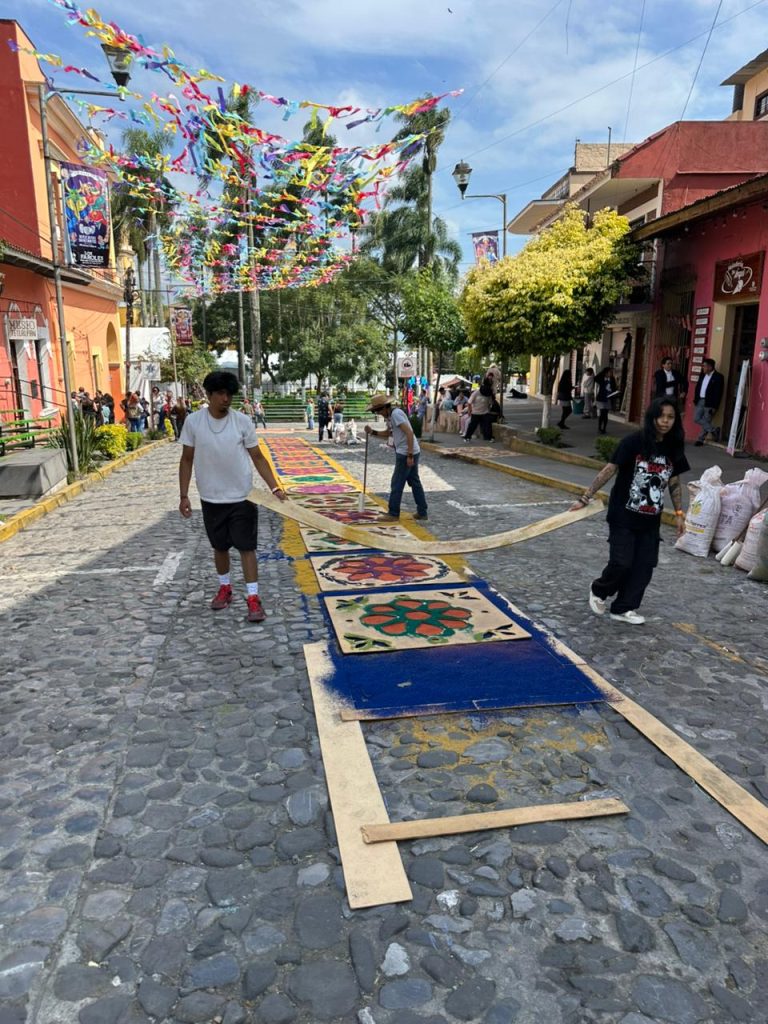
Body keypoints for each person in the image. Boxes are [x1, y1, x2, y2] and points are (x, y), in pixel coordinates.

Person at [178, 370, 287, 623]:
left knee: (247, 548)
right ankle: (225, 588)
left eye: (229, 394)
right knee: (220, 546)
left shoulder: (242, 422)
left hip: (243, 496)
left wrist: (275, 488)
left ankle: (253, 597)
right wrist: (184, 495)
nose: (226, 399)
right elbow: (186, 459)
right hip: (211, 497)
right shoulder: (194, 422)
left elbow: (257, 457)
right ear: (209, 395)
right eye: (220, 394)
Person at [569, 397, 689, 625]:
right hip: (623, 515)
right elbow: (609, 469)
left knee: (644, 566)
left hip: (650, 520)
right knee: (622, 562)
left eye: (670, 417)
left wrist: (680, 514)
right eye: (661, 416)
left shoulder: (673, 447)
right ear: (652, 417)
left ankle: (623, 608)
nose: (665, 421)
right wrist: (585, 498)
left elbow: (674, 481)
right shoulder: (633, 442)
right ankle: (599, 589)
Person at [365, 394, 428, 521]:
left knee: (397, 483)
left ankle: (393, 513)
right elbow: (389, 433)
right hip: (410, 451)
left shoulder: (395, 414)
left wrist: (409, 455)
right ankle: (422, 512)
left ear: (384, 408)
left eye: (377, 411)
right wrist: (373, 432)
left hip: (406, 453)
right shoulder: (391, 416)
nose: (378, 414)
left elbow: (409, 433)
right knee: (414, 482)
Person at [693, 357, 724, 446]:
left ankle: (700, 440)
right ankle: (714, 430)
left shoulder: (718, 377)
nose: (703, 368)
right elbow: (698, 387)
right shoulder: (702, 375)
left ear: (710, 367)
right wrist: (696, 399)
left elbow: (718, 393)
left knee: (707, 420)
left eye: (704, 366)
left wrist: (715, 406)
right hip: (700, 400)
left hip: (710, 402)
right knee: (696, 418)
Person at [463, 373, 495, 442]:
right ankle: (467, 437)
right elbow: (469, 402)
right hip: (476, 412)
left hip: (485, 412)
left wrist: (488, 409)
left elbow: (490, 402)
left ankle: (489, 437)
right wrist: (469, 410)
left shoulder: (488, 393)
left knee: (488, 425)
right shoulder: (476, 392)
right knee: (472, 426)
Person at [594, 368, 617, 435]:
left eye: (611, 372)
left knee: (605, 414)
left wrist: (615, 393)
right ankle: (599, 428)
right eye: (609, 372)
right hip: (601, 398)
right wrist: (602, 372)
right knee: (602, 413)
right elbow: (595, 378)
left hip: (608, 398)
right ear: (606, 373)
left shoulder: (612, 379)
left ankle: (604, 428)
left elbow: (614, 388)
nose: (611, 374)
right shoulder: (601, 379)